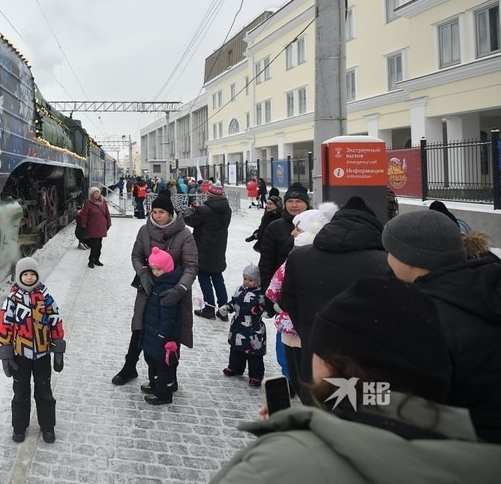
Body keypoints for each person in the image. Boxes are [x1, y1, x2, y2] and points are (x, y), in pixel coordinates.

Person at [212, 276, 501, 483]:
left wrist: (282, 442)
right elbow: (377, 400)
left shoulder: (273, 467)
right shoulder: (488, 459)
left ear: (331, 364)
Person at [383, 210, 501, 443]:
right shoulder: (485, 286)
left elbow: (409, 405)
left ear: (407, 258)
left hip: (462, 452)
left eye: (389, 252)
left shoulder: (422, 317)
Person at [279, 197, 387, 404]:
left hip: (313, 355)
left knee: (316, 412)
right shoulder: (383, 263)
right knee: (362, 420)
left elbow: (288, 300)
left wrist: (307, 331)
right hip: (364, 365)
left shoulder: (299, 257)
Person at [111, 190, 197, 386]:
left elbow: (191, 266)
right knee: (140, 328)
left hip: (173, 292)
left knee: (170, 335)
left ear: (170, 213)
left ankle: (169, 378)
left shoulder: (184, 235)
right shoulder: (144, 230)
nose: (157, 216)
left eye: (162, 212)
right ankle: (129, 367)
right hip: (148, 289)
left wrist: (180, 289)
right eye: (154, 212)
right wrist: (142, 272)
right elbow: (136, 255)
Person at [264, 206, 334, 399]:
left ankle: (294, 386)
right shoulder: (327, 257)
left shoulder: (298, 257)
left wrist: (278, 303)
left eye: (299, 229)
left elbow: (275, 287)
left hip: (294, 322)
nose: (293, 232)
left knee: (293, 361)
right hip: (313, 325)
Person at [0, 257, 65, 444]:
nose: (28, 277)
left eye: (32, 274)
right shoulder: (12, 299)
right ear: (19, 276)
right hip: (21, 356)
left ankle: (48, 426)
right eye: (25, 274)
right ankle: (19, 426)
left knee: (44, 391)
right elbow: (5, 324)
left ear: (37, 276)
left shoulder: (45, 296)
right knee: (20, 393)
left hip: (42, 355)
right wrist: (6, 352)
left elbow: (55, 320)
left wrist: (58, 349)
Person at [139, 247, 183, 404]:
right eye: (153, 269)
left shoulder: (167, 288)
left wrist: (163, 335)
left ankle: (163, 393)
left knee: (163, 365)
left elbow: (168, 317)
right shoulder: (158, 283)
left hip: (163, 336)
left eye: (158, 269)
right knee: (152, 359)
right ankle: (155, 384)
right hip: (153, 332)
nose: (155, 273)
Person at [184, 182, 232, 320]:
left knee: (204, 278)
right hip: (219, 249)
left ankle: (209, 309)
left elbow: (190, 220)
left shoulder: (204, 210)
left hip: (203, 249)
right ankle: (223, 310)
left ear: (209, 195)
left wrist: (189, 210)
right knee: (218, 278)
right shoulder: (226, 209)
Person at [218, 264, 266, 387]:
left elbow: (264, 307)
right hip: (238, 325)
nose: (247, 282)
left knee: (254, 353)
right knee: (236, 349)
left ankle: (256, 375)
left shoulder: (260, 294)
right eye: (245, 279)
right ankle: (235, 367)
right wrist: (226, 308)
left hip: (253, 328)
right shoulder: (240, 290)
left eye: (250, 280)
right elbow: (234, 303)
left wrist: (258, 310)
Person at [258, 182, 309, 292]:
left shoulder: (317, 226)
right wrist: (267, 291)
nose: (294, 205)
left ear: (307, 204)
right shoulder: (274, 227)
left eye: (299, 201)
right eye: (290, 201)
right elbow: (266, 263)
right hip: (282, 287)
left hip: (309, 287)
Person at [77, 186, 111, 268]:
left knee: (99, 244)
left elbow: (107, 213)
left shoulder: (103, 202)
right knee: (94, 245)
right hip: (92, 226)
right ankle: (91, 261)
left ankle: (97, 260)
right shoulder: (88, 203)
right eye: (95, 193)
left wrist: (109, 223)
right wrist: (83, 225)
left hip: (101, 226)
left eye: (98, 193)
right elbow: (85, 215)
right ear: (92, 194)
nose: (97, 195)